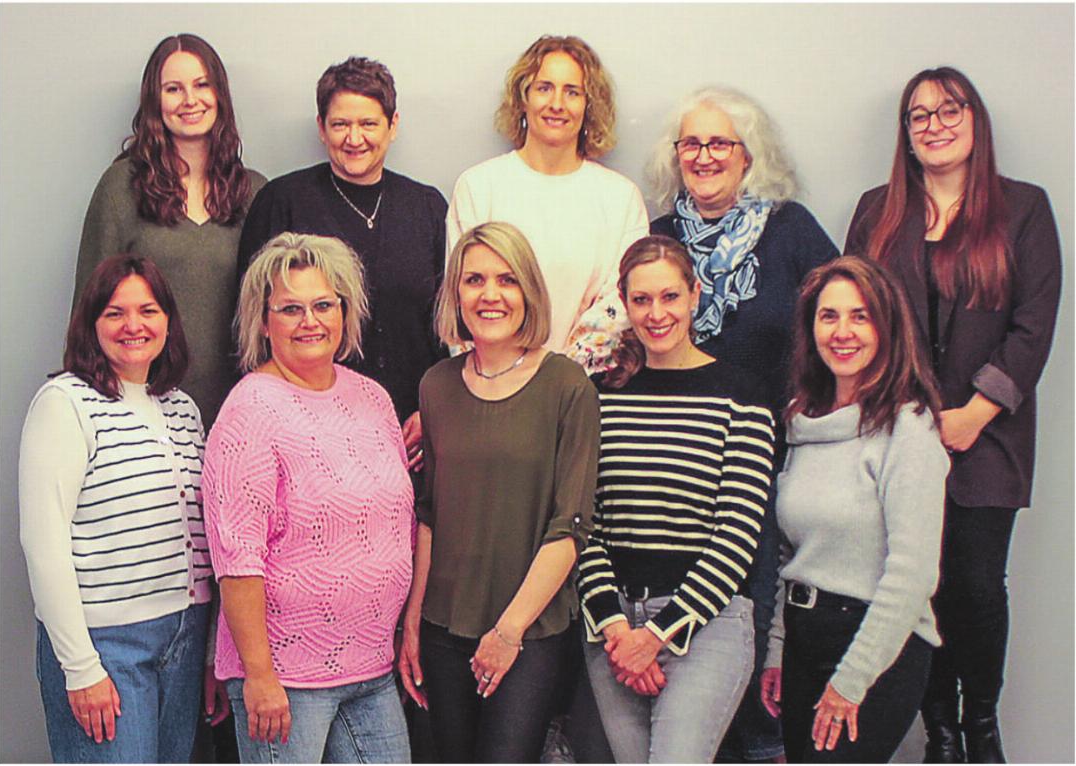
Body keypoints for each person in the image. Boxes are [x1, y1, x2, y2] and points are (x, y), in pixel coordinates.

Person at [845, 67, 1062, 764]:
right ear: (905, 135)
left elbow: (1033, 324)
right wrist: (900, 416)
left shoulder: (1023, 208)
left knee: (976, 585)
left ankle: (981, 725)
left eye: (949, 110)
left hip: (988, 434)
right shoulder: (878, 212)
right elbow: (854, 316)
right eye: (919, 115)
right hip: (897, 432)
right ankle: (938, 732)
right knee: (916, 585)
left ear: (975, 121)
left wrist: (976, 412)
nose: (934, 125)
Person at [647, 85, 838, 762]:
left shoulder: (790, 229)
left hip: (765, 464)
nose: (704, 156)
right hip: (675, 466)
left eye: (720, 143)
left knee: (752, 623)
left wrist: (816, 405)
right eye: (691, 143)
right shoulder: (660, 237)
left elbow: (844, 319)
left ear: (748, 155)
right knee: (686, 631)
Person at [202, 233, 414, 763]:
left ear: (345, 311)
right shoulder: (250, 409)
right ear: (263, 321)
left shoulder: (372, 398)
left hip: (373, 668)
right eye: (290, 309)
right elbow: (237, 559)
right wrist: (259, 675)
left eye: (323, 305)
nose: (309, 321)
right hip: (285, 678)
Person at [397, 222, 600, 762]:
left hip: (528, 632)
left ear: (528, 290)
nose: (490, 295)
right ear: (456, 293)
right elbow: (430, 515)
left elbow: (571, 525)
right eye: (475, 280)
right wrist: (412, 623)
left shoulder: (567, 386)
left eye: (507, 280)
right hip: (442, 627)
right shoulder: (436, 385)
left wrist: (508, 632)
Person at [576, 235, 776, 762]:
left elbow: (738, 534)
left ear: (694, 295)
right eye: (641, 300)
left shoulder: (742, 396)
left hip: (707, 622)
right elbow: (583, 524)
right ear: (624, 302)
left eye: (670, 297)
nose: (656, 313)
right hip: (613, 626)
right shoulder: (601, 395)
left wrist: (657, 636)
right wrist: (619, 630)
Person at [20, 254, 213, 762]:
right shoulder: (65, 403)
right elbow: (44, 543)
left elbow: (201, 534)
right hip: (107, 647)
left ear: (167, 321)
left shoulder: (183, 408)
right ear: (91, 323)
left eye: (148, 310)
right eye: (115, 313)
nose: (134, 325)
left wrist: (211, 650)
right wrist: (81, 667)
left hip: (185, 636)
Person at [760, 256, 949, 763]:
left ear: (887, 327)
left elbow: (912, 575)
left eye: (860, 316)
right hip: (803, 642)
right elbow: (789, 553)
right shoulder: (802, 422)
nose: (842, 332)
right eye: (829, 316)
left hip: (874, 649)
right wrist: (777, 648)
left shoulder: (908, 430)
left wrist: (851, 680)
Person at [238, 55, 447, 472]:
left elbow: (448, 327)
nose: (354, 138)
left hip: (414, 436)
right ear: (321, 128)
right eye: (340, 124)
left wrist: (436, 411)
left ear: (392, 125)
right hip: (307, 436)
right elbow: (251, 323)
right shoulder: (283, 202)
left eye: (368, 123)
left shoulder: (426, 207)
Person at [76, 33, 266, 432]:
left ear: (220, 94)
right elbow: (88, 308)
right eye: (173, 89)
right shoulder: (120, 188)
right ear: (154, 101)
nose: (189, 100)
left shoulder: (255, 193)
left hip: (239, 408)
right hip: (140, 407)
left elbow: (276, 315)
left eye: (201, 85)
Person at [448, 35, 649, 375]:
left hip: (586, 387)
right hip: (492, 385)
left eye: (572, 92)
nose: (557, 104)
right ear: (523, 98)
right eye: (544, 88)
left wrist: (557, 382)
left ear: (589, 105)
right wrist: (507, 380)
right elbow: (463, 296)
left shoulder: (621, 198)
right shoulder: (479, 187)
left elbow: (622, 303)